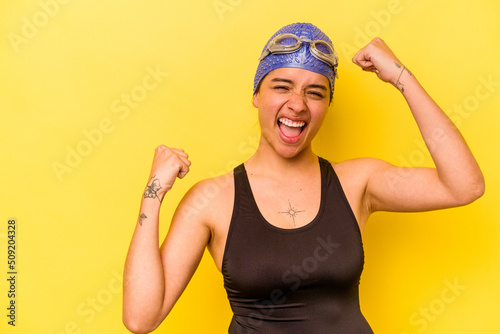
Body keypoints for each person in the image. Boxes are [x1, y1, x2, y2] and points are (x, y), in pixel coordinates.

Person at [122, 22, 484, 333]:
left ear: (326, 106)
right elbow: (141, 318)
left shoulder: (357, 183)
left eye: (315, 93)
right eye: (282, 86)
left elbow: (464, 185)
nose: (297, 104)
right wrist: (153, 192)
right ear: (256, 95)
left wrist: (401, 76)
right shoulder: (211, 200)